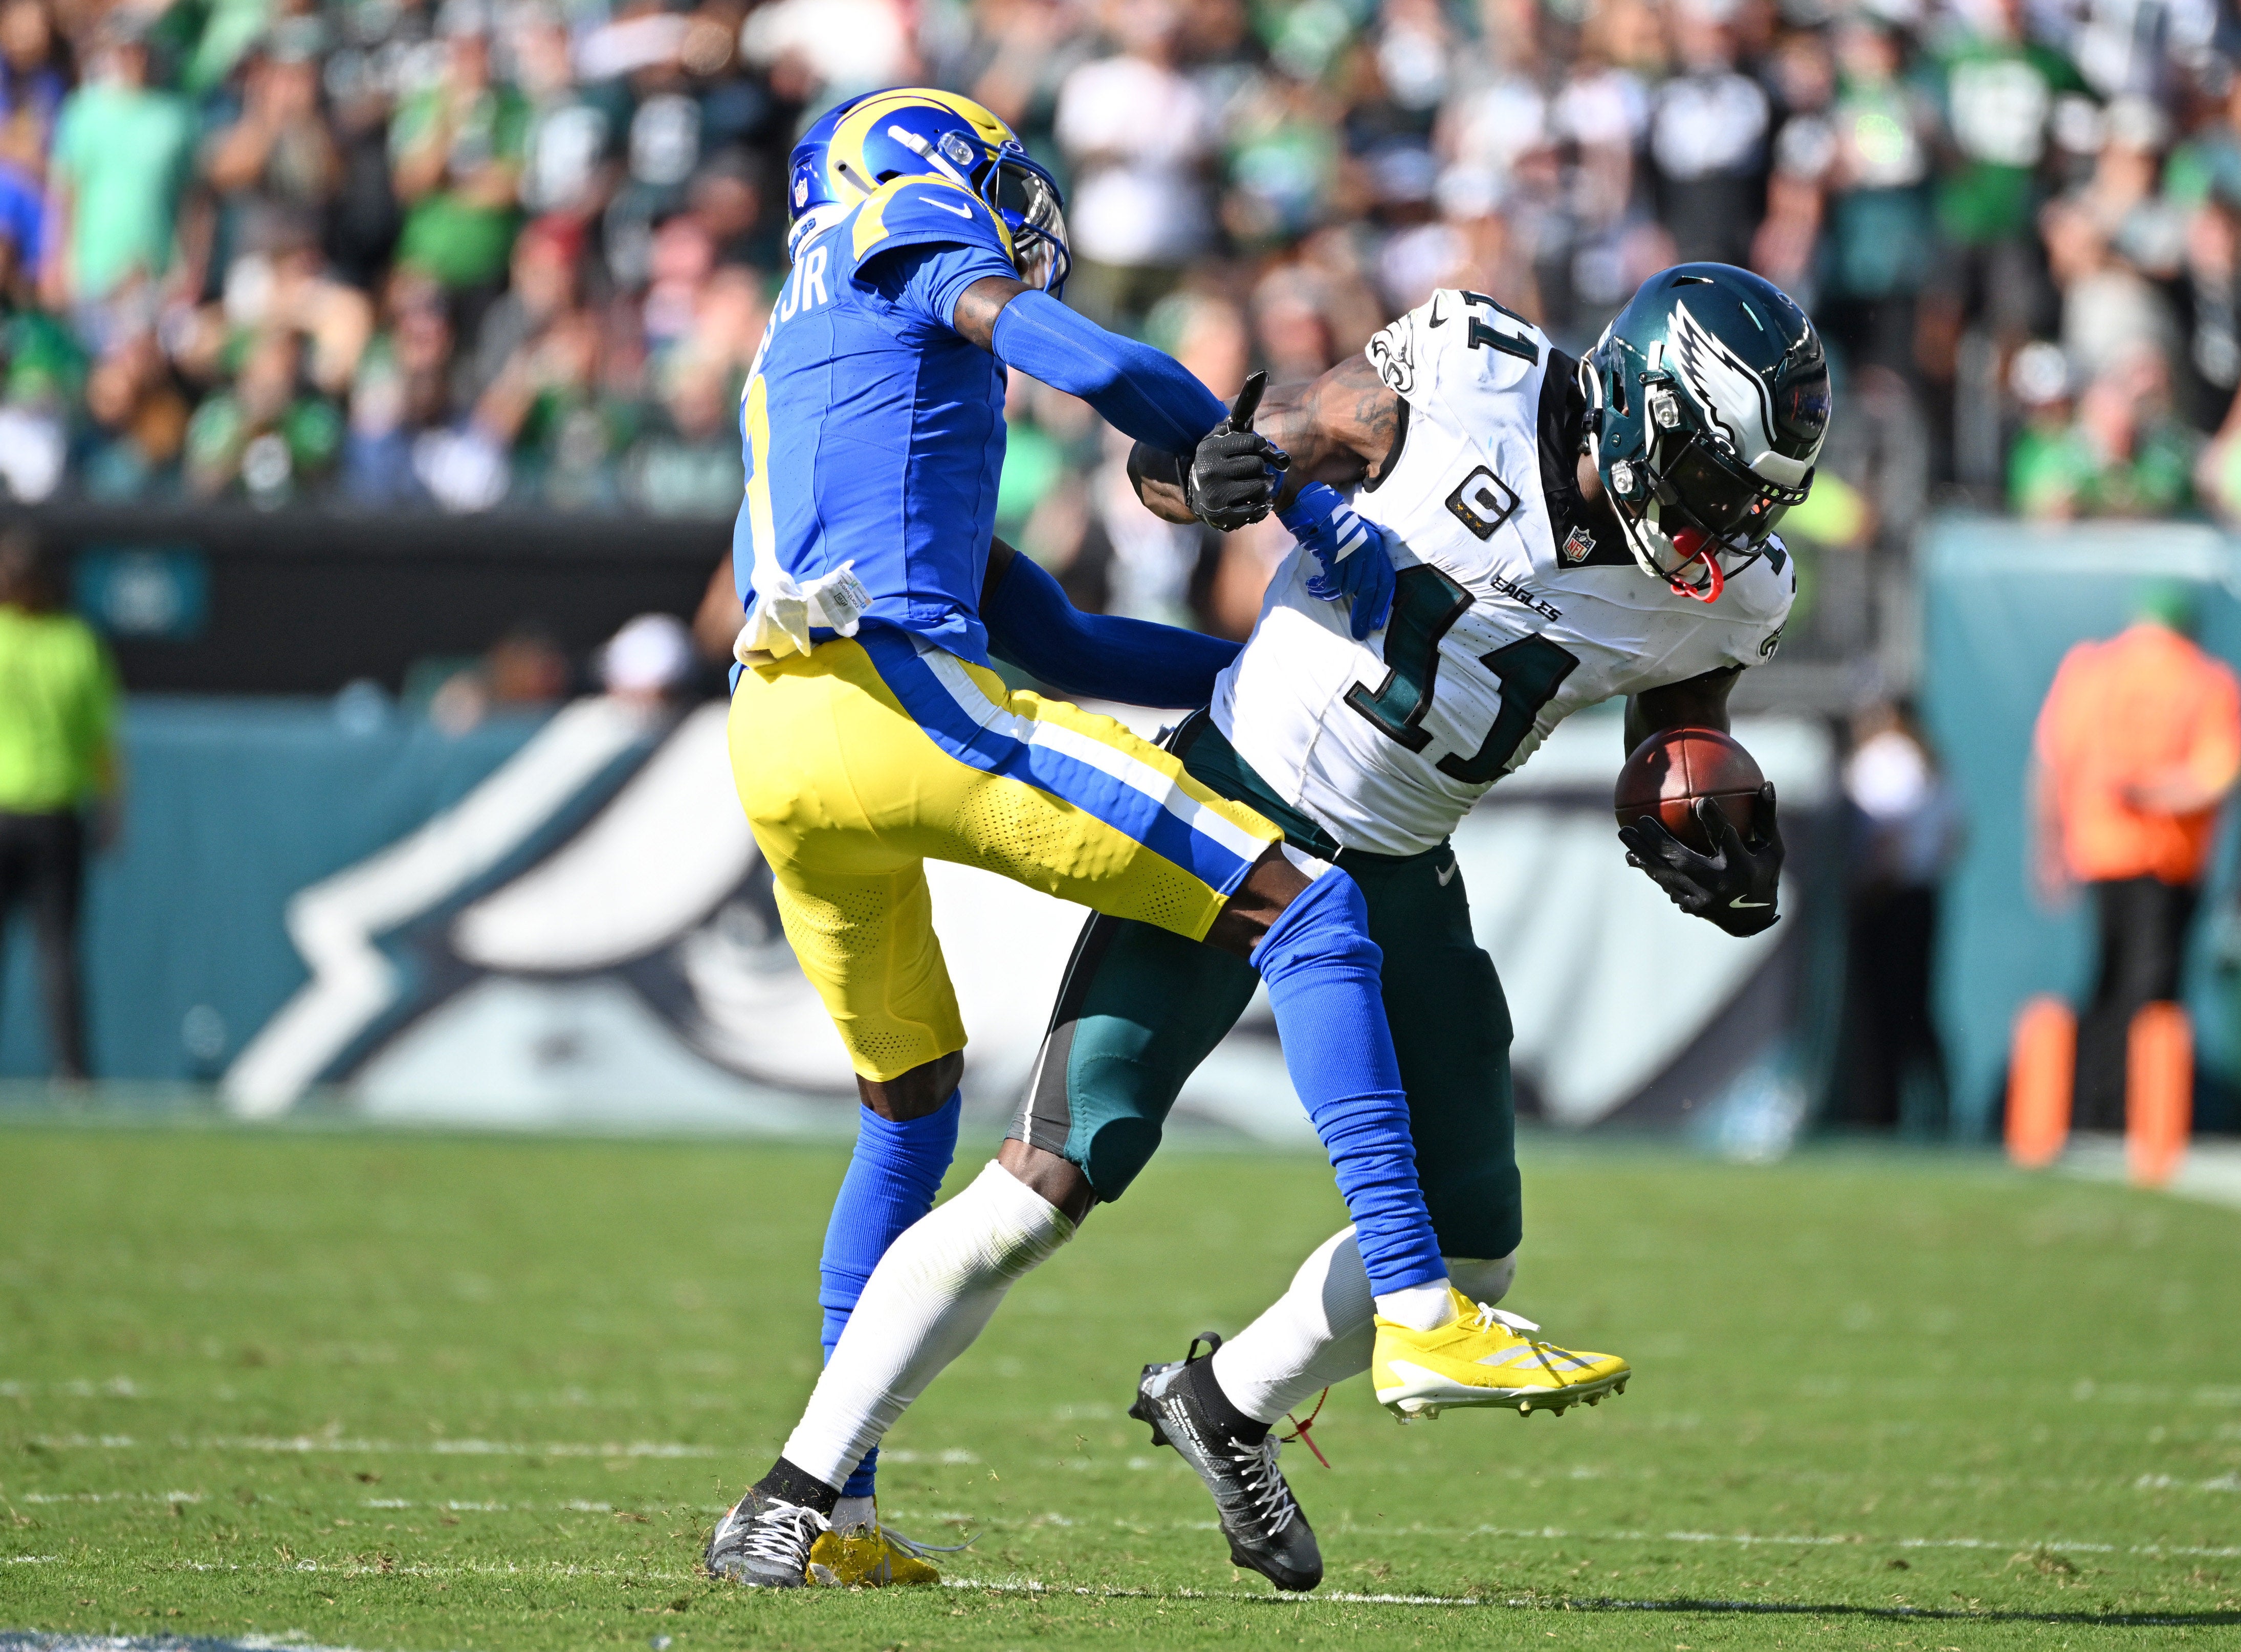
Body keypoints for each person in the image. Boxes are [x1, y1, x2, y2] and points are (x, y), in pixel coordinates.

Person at [781, 268, 1823, 1592]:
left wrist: (1696, 802)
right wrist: (1197, 477)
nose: (1723, 523)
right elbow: (1232, 443)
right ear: (1631, 409)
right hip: (1233, 804)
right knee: (1047, 1179)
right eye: (1707, 477)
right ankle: (803, 1485)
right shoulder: (1468, 376)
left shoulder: (1734, 584)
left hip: (1401, 859)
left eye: (1749, 497)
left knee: (1475, 1242)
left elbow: (1678, 720)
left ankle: (1224, 1402)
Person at [704, 90, 1599, 1591]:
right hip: (898, 701)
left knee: (910, 1112)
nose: (1008, 201)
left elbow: (1050, 626)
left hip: (776, 736)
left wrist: (1287, 678)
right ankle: (1414, 1293)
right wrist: (1225, 446)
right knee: (1308, 906)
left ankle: (816, 1507)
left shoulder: (828, 375)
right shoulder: (897, 237)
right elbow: (1092, 358)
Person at [2030, 586, 2241, 1129]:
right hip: (2164, 859)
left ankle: (2088, 1107)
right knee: (2150, 989)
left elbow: (2048, 766)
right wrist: (2152, 795)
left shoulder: (2089, 670)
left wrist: (2047, 846)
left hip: (2098, 854)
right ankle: (2135, 1110)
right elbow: (2216, 777)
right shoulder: (2206, 679)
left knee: (2105, 982)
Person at [0, 530, 120, 1081]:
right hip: (54, 813)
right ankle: (72, 1073)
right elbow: (102, 742)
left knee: (57, 952)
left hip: (21, 808)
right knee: (57, 951)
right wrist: (113, 809)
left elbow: (102, 739)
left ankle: (73, 1070)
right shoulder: (76, 642)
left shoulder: (62, 640)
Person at [1833, 700, 1963, 1130]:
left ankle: (1880, 1113)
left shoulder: (1886, 758)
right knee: (1914, 1007)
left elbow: (1887, 835)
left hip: (1886, 899)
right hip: (1922, 896)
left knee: (1882, 1011)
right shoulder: (1932, 764)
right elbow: (1954, 838)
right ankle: (1936, 1107)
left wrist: (1874, 886)